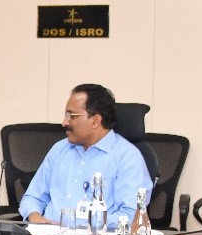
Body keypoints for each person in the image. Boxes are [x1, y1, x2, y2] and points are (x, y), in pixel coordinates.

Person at [18, 84, 149, 225]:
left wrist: (78, 227)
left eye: (71, 116)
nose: (64, 122)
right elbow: (32, 197)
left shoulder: (127, 157)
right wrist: (35, 217)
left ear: (95, 121)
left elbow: (130, 216)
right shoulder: (60, 149)